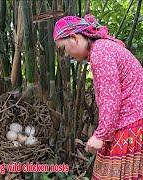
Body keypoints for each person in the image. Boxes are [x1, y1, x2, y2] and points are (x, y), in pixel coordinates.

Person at [53, 14, 143, 179]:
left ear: (74, 38)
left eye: (64, 48)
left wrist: (100, 135)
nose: (66, 55)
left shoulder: (100, 53)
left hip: (130, 125)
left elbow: (111, 98)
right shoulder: (103, 47)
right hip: (132, 122)